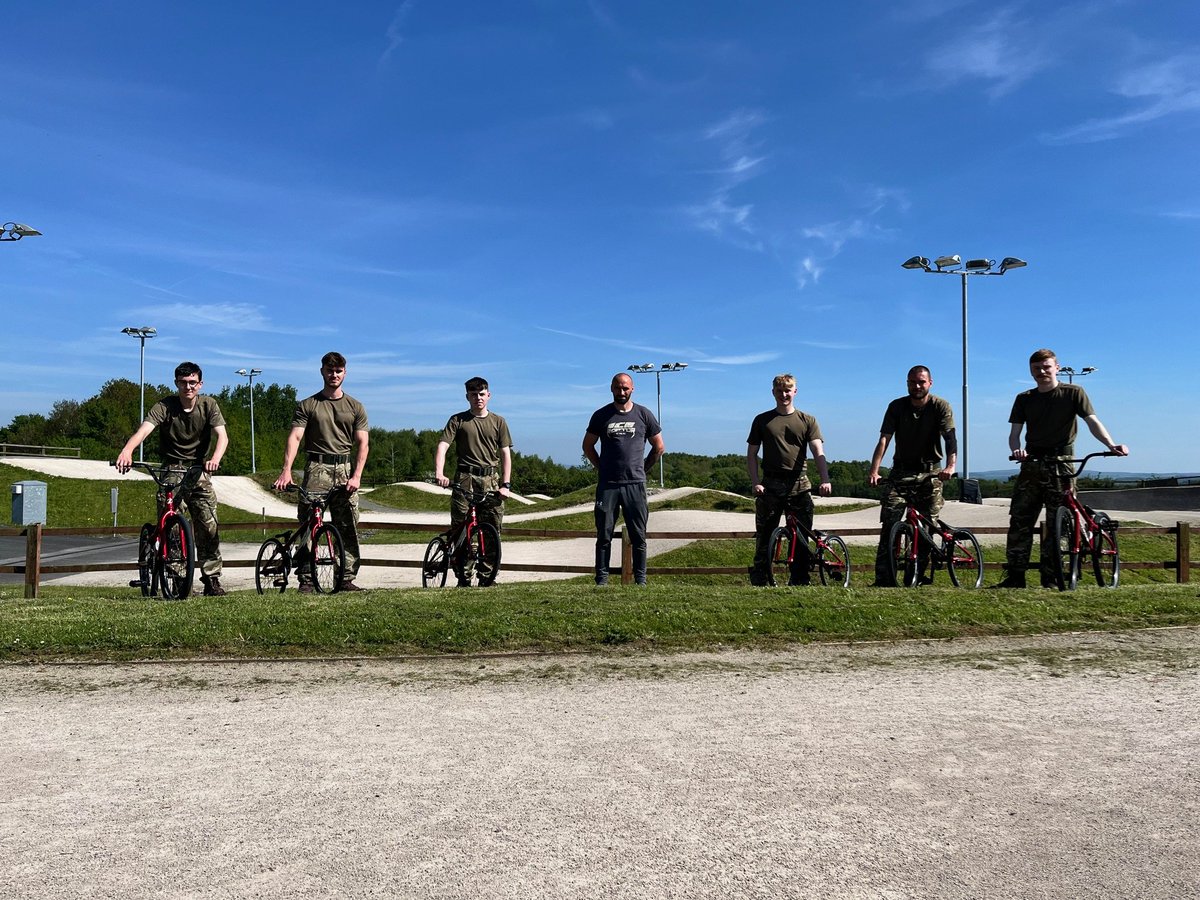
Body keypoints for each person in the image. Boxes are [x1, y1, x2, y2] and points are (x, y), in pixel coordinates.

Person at [994, 348, 1129, 588]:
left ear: (1057, 367)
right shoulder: (1024, 398)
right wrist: (1017, 451)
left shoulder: (1073, 393)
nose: (1042, 372)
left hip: (1062, 464)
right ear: (1030, 370)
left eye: (1046, 367)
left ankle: (1054, 576)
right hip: (1032, 463)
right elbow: (1014, 434)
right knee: (1020, 520)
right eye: (1036, 368)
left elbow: (1092, 422)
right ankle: (1015, 577)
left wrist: (1111, 444)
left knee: (1060, 524)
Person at [115, 361, 229, 596]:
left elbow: (222, 436)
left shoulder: (209, 405)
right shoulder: (165, 406)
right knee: (173, 528)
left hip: (199, 471)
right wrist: (127, 451)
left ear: (200, 384)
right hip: (172, 470)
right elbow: (145, 429)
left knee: (209, 526)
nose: (188, 387)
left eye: (192, 382)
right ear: (176, 383)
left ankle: (212, 580)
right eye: (183, 382)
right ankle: (177, 579)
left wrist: (215, 459)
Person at [274, 351, 370, 592]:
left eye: (338, 371)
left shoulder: (355, 406)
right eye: (330, 370)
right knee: (309, 524)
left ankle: (345, 577)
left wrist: (356, 475)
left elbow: (363, 444)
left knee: (347, 523)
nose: (334, 375)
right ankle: (306, 578)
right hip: (316, 468)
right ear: (322, 372)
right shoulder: (308, 405)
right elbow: (295, 437)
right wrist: (286, 471)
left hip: (344, 468)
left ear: (345, 373)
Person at [867, 365, 957, 586]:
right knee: (890, 524)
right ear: (907, 383)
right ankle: (884, 578)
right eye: (912, 382)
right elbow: (884, 439)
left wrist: (950, 466)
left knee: (926, 527)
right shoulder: (897, 407)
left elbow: (950, 438)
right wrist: (875, 470)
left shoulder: (940, 406)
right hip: (900, 472)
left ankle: (916, 576)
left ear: (930, 383)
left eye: (921, 382)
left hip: (930, 472)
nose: (916, 386)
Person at [746, 374, 833, 586]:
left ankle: (800, 579)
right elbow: (751, 454)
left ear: (795, 391)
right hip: (770, 485)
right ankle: (761, 579)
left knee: (802, 537)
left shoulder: (807, 420)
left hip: (799, 484)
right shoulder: (762, 420)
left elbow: (817, 450)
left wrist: (825, 479)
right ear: (773, 392)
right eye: (779, 390)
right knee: (765, 535)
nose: (784, 394)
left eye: (788, 390)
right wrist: (756, 481)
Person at [582, 372, 664, 585]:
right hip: (608, 485)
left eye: (625, 388)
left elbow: (659, 447)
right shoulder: (601, 415)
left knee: (638, 536)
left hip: (635, 484)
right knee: (604, 534)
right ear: (611, 388)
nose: (621, 392)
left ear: (632, 389)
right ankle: (601, 580)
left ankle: (640, 580)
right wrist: (601, 467)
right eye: (618, 388)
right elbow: (587, 446)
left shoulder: (644, 414)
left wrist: (643, 470)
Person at [434, 376, 513, 586]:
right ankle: (463, 577)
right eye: (473, 394)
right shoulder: (458, 420)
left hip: (491, 478)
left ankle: (488, 577)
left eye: (481, 394)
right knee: (461, 528)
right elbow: (443, 446)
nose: (478, 398)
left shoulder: (498, 422)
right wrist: (440, 473)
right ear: (467, 396)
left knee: (492, 528)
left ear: (489, 395)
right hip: (465, 478)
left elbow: (505, 454)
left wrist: (505, 484)